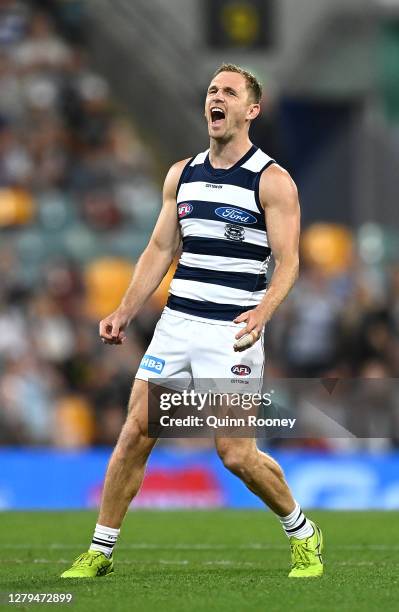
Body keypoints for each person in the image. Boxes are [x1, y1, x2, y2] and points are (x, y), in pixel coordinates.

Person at [61, 64, 323, 579]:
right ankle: (100, 550)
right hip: (177, 325)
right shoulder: (182, 174)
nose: (216, 98)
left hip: (232, 333)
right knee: (135, 433)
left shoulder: (272, 181)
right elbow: (161, 247)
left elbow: (289, 261)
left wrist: (263, 312)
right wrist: (123, 309)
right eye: (211, 91)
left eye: (229, 92)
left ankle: (303, 531)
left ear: (251, 110)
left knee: (236, 455)